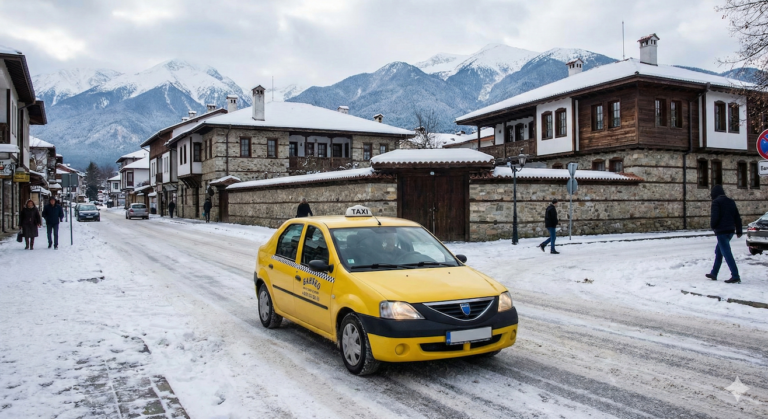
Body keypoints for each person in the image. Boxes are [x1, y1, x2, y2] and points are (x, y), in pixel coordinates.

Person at [706, 185, 742, 283]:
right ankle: (714, 273)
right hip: (730, 231)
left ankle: (735, 275)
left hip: (721, 231)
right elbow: (737, 217)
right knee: (719, 251)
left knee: (726, 253)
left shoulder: (716, 202)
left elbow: (715, 217)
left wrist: (713, 226)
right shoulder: (731, 202)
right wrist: (739, 230)